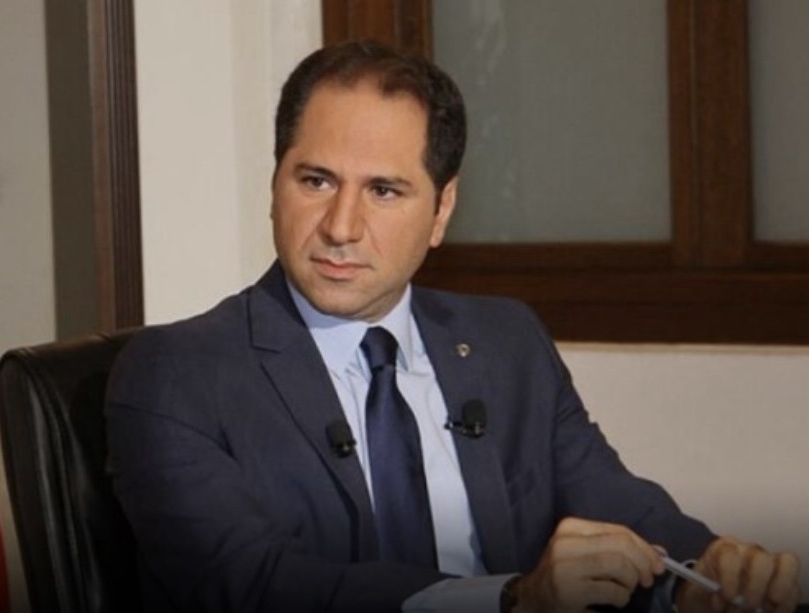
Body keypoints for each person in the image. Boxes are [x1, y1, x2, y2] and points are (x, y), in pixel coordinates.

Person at [105, 40, 801, 613]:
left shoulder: (505, 343)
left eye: (384, 190)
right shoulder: (176, 374)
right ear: (274, 184)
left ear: (441, 212)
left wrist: (708, 571)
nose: (341, 227)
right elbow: (250, 586)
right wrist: (511, 600)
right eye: (315, 180)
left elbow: (621, 508)